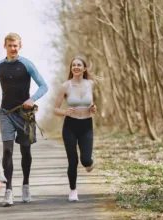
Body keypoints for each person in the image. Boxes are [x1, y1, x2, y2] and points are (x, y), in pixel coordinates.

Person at [0, 32, 48, 207]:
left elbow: (44, 85)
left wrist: (32, 99)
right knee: (8, 151)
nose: (13, 48)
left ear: (20, 46)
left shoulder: (26, 65)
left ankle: (25, 185)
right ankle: (8, 191)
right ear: (4, 46)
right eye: (10, 45)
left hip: (25, 115)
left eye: (15, 45)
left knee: (26, 152)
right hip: (5, 113)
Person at [53, 56, 97, 202]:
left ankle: (89, 162)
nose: (76, 67)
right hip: (70, 126)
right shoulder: (65, 86)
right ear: (71, 68)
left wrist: (93, 108)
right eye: (73, 65)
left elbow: (92, 103)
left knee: (85, 160)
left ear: (84, 68)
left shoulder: (91, 84)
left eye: (79, 65)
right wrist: (65, 112)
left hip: (86, 125)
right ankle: (73, 190)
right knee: (73, 160)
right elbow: (55, 108)